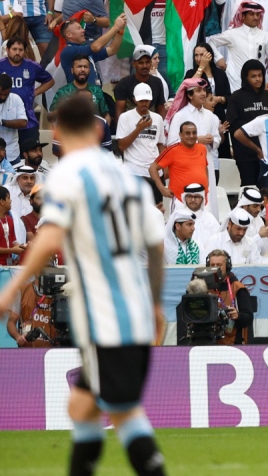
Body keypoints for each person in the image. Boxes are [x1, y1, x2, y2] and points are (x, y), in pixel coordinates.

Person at [0, 94, 169, 476]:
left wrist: (11, 290)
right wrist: (156, 303)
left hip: (106, 317)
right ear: (98, 130)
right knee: (82, 408)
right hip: (135, 308)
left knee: (124, 414)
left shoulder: (69, 174)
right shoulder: (128, 180)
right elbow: (156, 246)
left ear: (57, 133)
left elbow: (49, 236)